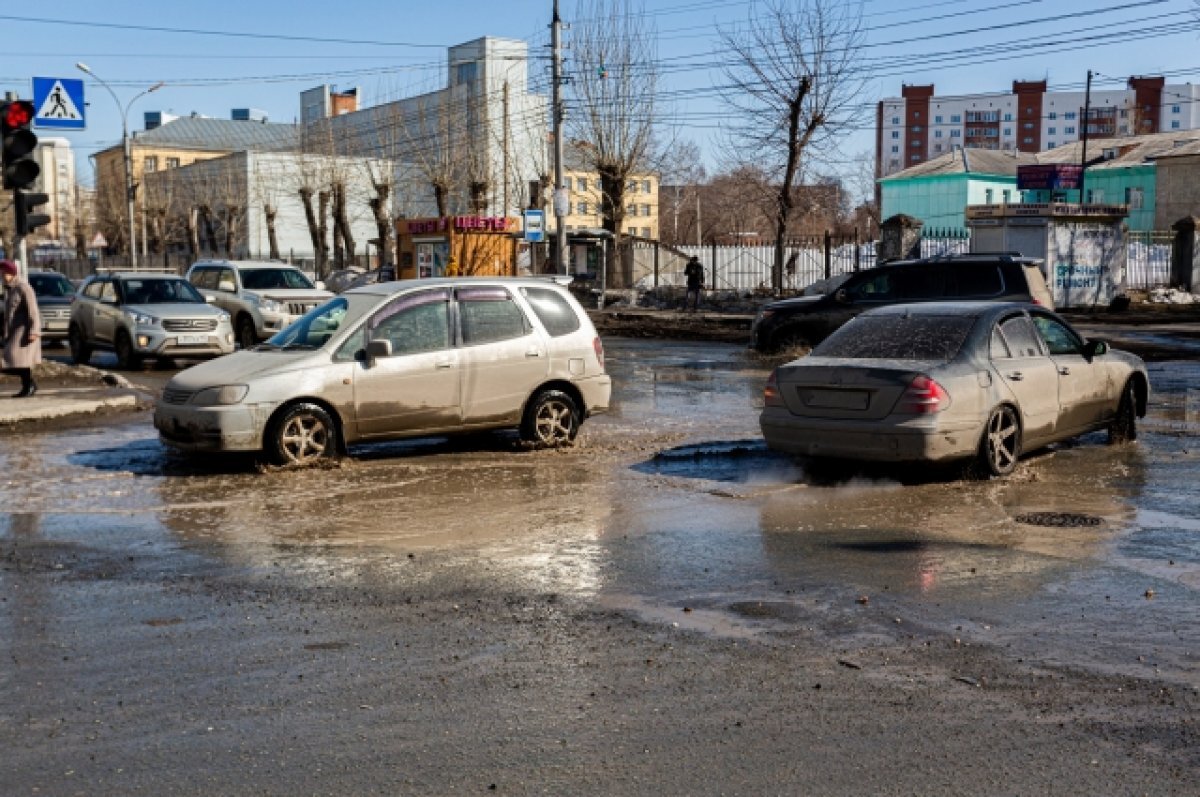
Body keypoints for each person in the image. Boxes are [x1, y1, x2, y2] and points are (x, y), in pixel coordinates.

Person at [2, 259, 42, 398]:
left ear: (12, 273)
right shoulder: (10, 289)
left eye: (4, 272)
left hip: (24, 331)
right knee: (18, 361)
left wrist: (34, 331)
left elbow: (33, 311)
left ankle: (29, 385)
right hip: (15, 331)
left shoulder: (23, 287)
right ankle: (28, 385)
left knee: (11, 359)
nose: (2, 275)